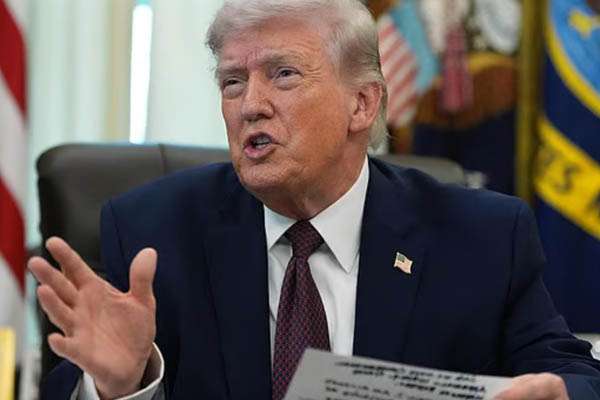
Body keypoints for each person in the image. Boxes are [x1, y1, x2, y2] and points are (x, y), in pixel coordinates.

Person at [29, 0, 600, 399]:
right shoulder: (152, 232)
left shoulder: (480, 237)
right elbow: (67, 388)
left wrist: (558, 393)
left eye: (282, 75)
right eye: (232, 82)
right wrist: (120, 385)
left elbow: (573, 374)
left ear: (363, 104)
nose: (250, 105)